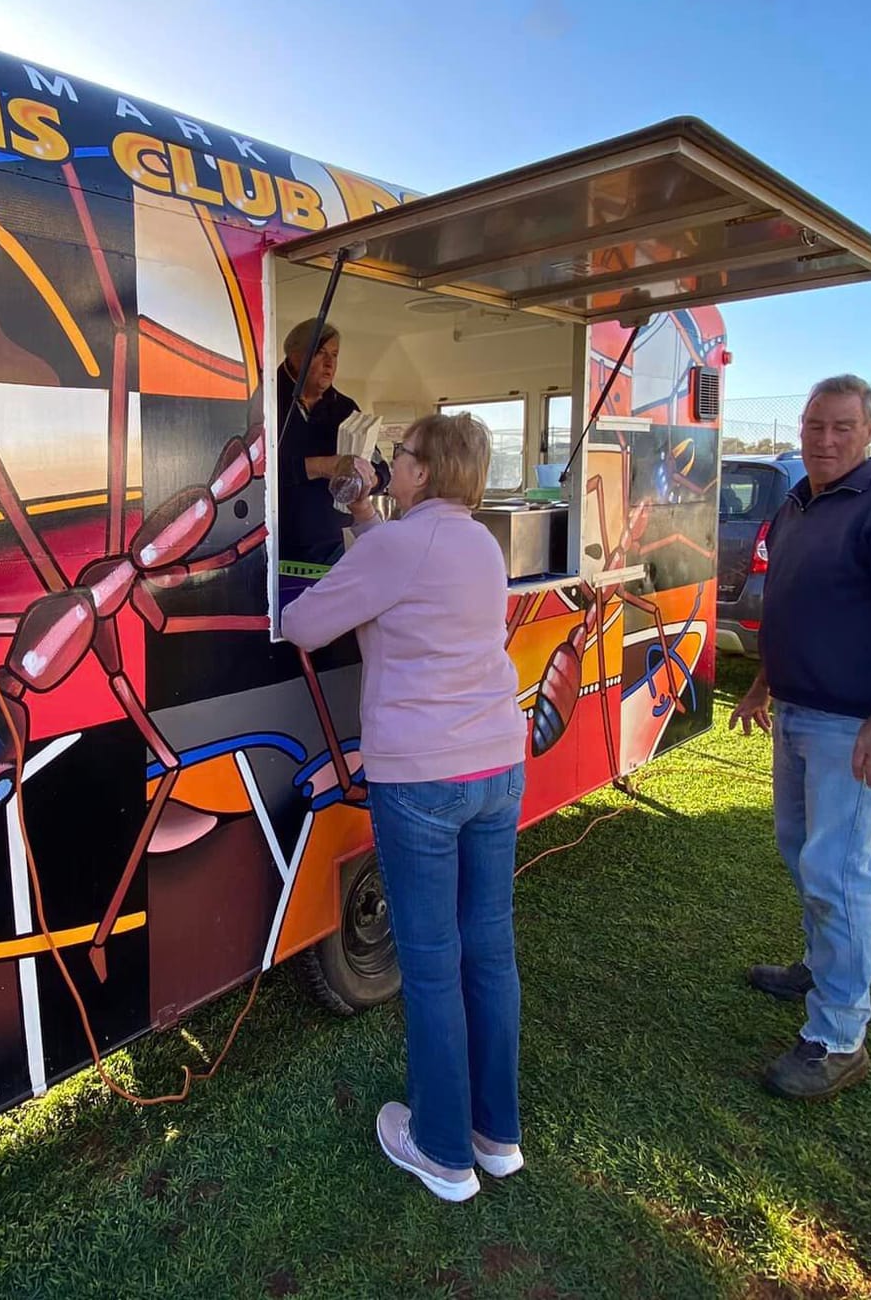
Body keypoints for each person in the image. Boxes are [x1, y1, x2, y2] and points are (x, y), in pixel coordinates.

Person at [280, 413, 529, 1202]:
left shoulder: (399, 545)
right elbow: (401, 569)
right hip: (497, 765)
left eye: (401, 455)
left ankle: (443, 1153)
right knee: (489, 952)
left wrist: (364, 534)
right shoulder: (478, 542)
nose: (393, 462)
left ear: (423, 471)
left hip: (422, 778)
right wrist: (363, 515)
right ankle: (496, 1137)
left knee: (429, 962)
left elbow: (302, 624)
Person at [728, 374, 871, 1100]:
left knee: (837, 870)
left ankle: (838, 1037)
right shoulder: (798, 504)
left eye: (842, 427)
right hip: (797, 713)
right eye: (814, 426)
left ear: (869, 432)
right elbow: (792, 607)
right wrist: (764, 684)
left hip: (853, 727)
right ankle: (821, 967)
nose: (825, 440)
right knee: (803, 853)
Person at [274, 318, 386, 568]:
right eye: (320, 353)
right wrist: (320, 466)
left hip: (331, 549)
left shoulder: (344, 408)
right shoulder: (264, 400)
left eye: (334, 355)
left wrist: (367, 479)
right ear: (295, 355)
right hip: (271, 546)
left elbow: (381, 468)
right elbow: (251, 473)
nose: (329, 363)